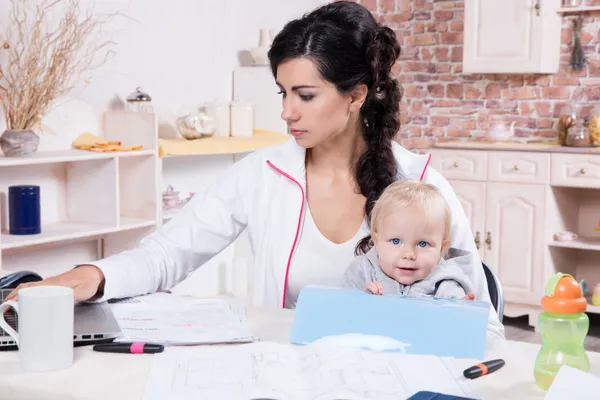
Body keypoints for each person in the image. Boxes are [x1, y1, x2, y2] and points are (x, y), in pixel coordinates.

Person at [4, 1, 504, 339]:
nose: (287, 112)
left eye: (305, 96)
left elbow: (486, 327)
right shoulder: (260, 173)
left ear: (355, 96)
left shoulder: (421, 186)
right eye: (282, 94)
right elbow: (165, 256)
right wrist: (87, 274)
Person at [342, 179, 476, 300]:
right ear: (376, 241)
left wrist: (459, 314)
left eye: (422, 244)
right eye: (396, 241)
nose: (409, 255)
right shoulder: (361, 272)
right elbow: (340, 316)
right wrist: (360, 302)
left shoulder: (446, 284)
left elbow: (456, 322)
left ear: (441, 247)